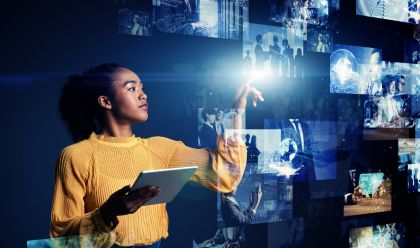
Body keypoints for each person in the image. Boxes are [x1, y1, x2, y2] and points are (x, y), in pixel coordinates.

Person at [50, 63, 264, 247]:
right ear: (106, 102)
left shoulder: (160, 148)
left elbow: (226, 176)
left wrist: (237, 109)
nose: (143, 94)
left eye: (142, 88)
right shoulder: (75, 156)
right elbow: (61, 237)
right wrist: (105, 215)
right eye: (131, 88)